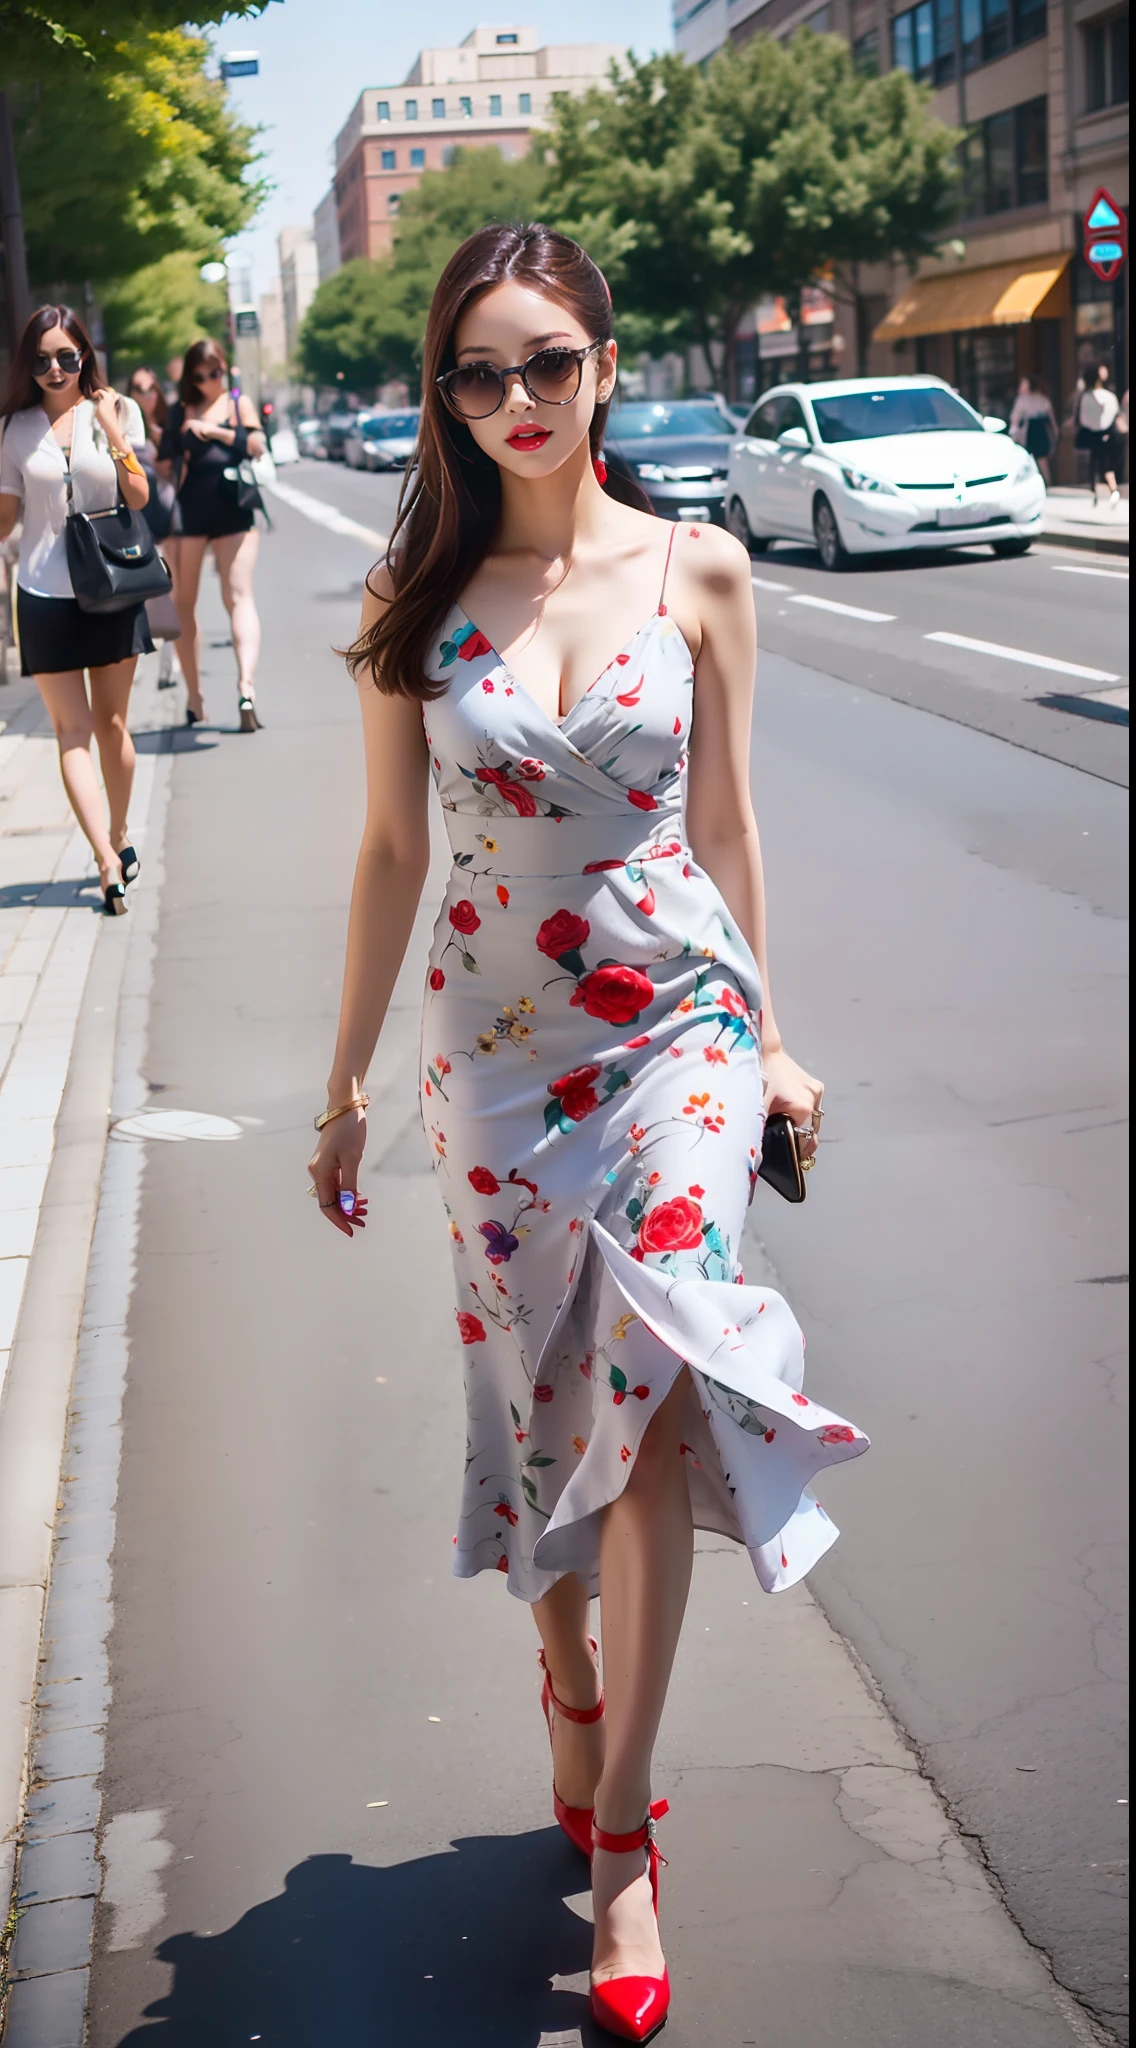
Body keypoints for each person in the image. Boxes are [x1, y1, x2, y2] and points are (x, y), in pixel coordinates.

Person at [308, 224, 868, 2042]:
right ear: (444, 395)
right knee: (540, 1398)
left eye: (547, 360)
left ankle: (624, 1828)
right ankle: (563, 1669)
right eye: (479, 371)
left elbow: (729, 825)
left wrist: (769, 1034)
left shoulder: (704, 569)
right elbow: (393, 851)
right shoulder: (418, 586)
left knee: (657, 1375)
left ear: (605, 365)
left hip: (673, 1032)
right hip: (490, 1049)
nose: (517, 399)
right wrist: (338, 1085)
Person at [0, 305, 152, 914]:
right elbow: (7, 521)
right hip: (42, 595)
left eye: (67, 356)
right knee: (71, 732)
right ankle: (105, 858)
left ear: (85, 354)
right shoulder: (14, 429)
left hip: (112, 589)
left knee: (113, 725)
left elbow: (138, 495)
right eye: (41, 360)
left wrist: (112, 431)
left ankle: (118, 832)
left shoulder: (116, 409)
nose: (55, 369)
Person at [157, 337, 265, 731]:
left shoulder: (239, 403)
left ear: (225, 368)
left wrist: (213, 432)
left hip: (232, 507)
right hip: (190, 512)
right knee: (184, 603)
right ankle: (195, 695)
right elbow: (166, 463)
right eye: (199, 375)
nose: (207, 382)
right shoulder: (177, 410)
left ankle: (246, 686)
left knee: (238, 597)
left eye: (214, 372)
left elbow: (257, 445)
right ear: (190, 376)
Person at [127, 366, 181, 687]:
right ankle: (135, 657)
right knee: (137, 592)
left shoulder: (165, 425)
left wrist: (157, 435)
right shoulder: (122, 424)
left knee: (170, 589)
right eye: (138, 389)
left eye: (150, 389)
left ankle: (169, 661)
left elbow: (169, 468)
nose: (145, 395)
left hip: (166, 513)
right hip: (137, 519)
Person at [1077, 361, 1121, 507]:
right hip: (1108, 434)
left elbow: (1083, 419)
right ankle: (1111, 490)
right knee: (1106, 464)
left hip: (1093, 435)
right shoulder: (1109, 396)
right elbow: (1114, 413)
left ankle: (1095, 492)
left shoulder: (1085, 397)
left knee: (1095, 463)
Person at [1009, 374, 1058, 486]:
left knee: (1028, 461)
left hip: (1030, 432)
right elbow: (1053, 422)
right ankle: (1047, 485)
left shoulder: (1023, 400)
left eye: (1023, 384)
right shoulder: (1043, 399)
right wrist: (1055, 435)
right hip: (1040, 432)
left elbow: (1015, 420)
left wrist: (1014, 435)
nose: (1020, 387)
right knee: (1042, 462)